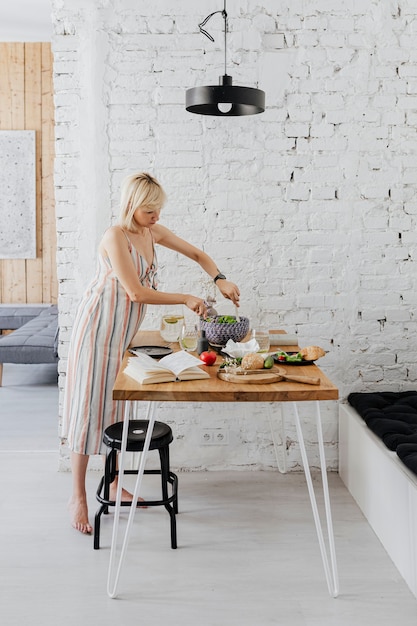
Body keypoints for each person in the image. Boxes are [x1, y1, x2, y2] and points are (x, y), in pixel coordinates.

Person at [63, 172, 240, 534]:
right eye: (148, 209)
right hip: (97, 331)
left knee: (116, 408)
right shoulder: (116, 236)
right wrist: (186, 297)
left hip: (121, 335)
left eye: (158, 209)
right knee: (88, 410)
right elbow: (136, 293)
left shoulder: (152, 232)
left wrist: (219, 278)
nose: (155, 216)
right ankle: (77, 495)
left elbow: (195, 253)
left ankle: (113, 484)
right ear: (131, 205)